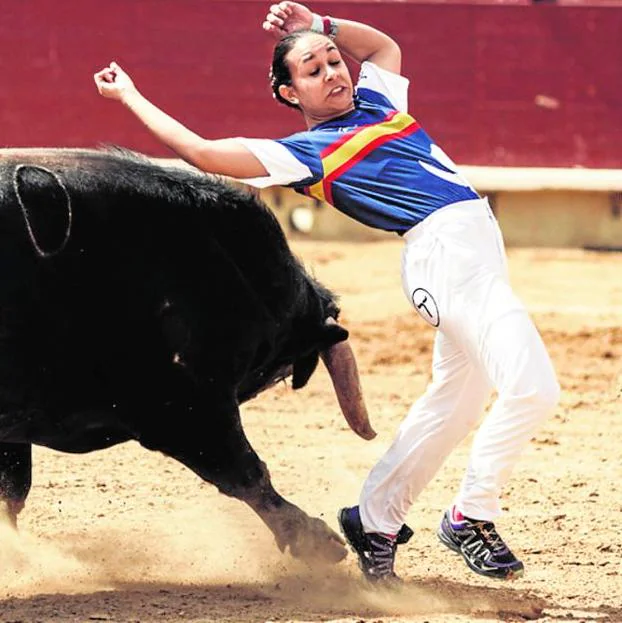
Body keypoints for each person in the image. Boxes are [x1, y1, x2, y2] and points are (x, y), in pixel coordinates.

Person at [94, 1, 560, 584]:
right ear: (291, 94)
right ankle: (471, 512)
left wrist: (318, 24)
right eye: (312, 71)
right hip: (445, 260)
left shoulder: (379, 104)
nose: (334, 73)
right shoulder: (304, 153)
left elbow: (385, 47)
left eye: (334, 62)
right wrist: (130, 95)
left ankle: (374, 518)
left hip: (474, 257)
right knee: (533, 388)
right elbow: (202, 153)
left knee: (455, 403)